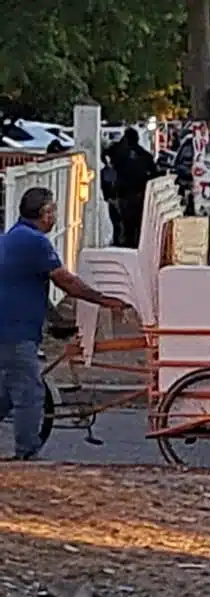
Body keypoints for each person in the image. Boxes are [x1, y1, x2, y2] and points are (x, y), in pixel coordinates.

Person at [0, 187, 131, 460]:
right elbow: (66, 282)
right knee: (29, 393)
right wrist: (104, 299)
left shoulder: (13, 238)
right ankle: (27, 454)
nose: (56, 217)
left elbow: (28, 286)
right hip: (14, 331)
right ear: (45, 214)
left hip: (11, 326)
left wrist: (57, 320)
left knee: (6, 393)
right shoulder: (34, 242)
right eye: (54, 211)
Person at [107, 127, 156, 248]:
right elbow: (154, 172)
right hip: (139, 194)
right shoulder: (144, 155)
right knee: (137, 222)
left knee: (124, 221)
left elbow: (106, 154)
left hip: (123, 193)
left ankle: (125, 243)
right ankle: (135, 243)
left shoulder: (119, 153)